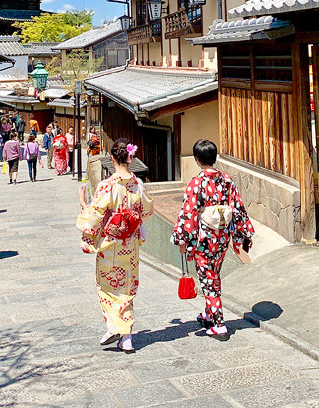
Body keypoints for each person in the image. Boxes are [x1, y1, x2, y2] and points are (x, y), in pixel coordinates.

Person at [171, 139, 254, 339]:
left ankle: (218, 323)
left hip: (204, 238)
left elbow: (188, 213)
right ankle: (209, 313)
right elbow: (238, 208)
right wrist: (243, 233)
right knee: (213, 274)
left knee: (209, 279)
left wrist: (183, 239)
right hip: (222, 237)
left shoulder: (196, 184)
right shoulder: (226, 180)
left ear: (198, 160)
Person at [77, 138, 152, 353]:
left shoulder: (108, 185)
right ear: (130, 158)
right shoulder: (137, 184)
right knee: (126, 287)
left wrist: (83, 203)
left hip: (111, 244)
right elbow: (146, 211)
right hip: (130, 244)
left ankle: (118, 330)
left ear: (111, 159)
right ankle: (122, 333)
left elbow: (94, 216)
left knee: (109, 287)